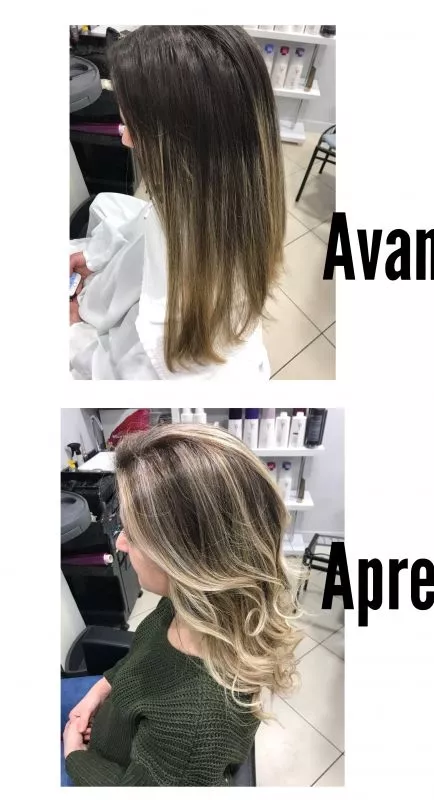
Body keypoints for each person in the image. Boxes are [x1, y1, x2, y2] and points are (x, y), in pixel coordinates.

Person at [61, 425, 302, 785]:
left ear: (186, 561)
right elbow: (142, 660)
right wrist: (100, 691)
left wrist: (73, 756)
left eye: (132, 534)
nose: (121, 543)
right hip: (110, 726)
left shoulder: (191, 730)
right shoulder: (187, 607)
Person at [69, 26, 285, 380]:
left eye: (131, 125)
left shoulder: (163, 341)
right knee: (107, 204)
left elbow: (103, 371)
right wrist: (96, 261)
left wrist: (75, 326)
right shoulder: (220, 209)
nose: (125, 139)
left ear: (181, 144)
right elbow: (144, 233)